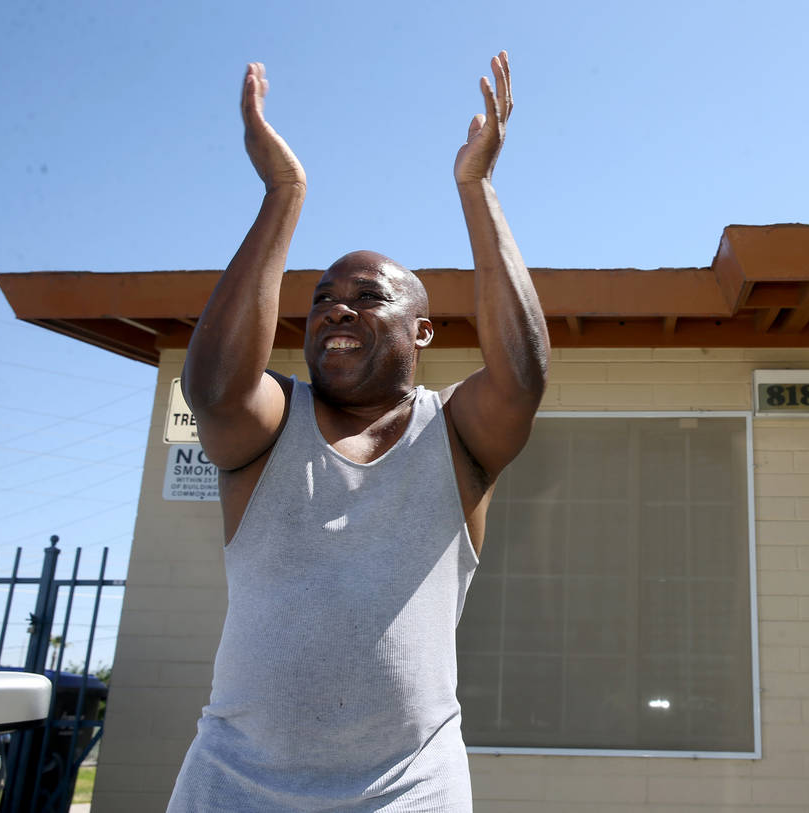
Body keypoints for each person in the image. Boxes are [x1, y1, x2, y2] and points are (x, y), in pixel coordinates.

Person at [167, 52, 548, 813]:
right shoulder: (276, 420)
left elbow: (522, 377)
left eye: (368, 297)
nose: (336, 308)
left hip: (409, 788)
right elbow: (212, 388)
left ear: (423, 331)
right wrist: (283, 193)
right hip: (234, 786)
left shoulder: (454, 434)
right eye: (321, 299)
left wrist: (477, 188)